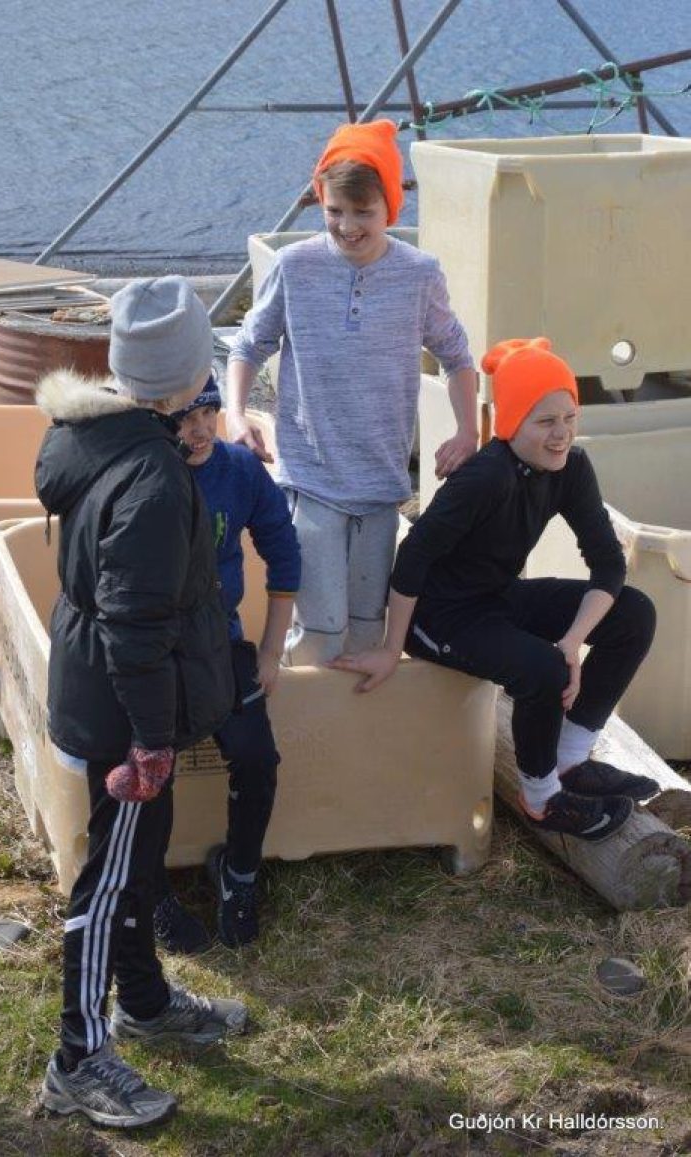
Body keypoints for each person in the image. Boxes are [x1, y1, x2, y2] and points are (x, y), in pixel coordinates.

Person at [35, 276, 248, 1131]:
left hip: (99, 682)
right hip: (126, 713)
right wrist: (153, 743)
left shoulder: (89, 432)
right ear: (188, 375)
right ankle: (77, 1056)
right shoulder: (154, 479)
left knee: (138, 860)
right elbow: (134, 625)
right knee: (109, 877)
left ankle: (146, 1003)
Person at [329, 337, 658, 841]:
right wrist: (392, 648)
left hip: (497, 598)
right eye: (544, 421)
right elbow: (413, 556)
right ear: (512, 423)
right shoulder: (486, 477)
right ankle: (541, 799)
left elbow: (608, 563)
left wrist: (572, 642)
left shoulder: (571, 468)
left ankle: (570, 761)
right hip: (440, 617)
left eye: (569, 417)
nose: (561, 434)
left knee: (633, 614)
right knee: (543, 670)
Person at [226, 119, 478, 665]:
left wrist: (468, 431)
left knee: (367, 636)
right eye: (335, 210)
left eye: (363, 212)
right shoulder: (294, 266)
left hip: (383, 487)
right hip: (311, 480)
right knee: (320, 635)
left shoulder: (419, 274)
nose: (348, 226)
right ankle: (289, 712)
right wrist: (237, 414)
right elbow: (247, 346)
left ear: (391, 206)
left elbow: (458, 357)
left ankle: (343, 721)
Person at [153, 375, 300, 951]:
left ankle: (238, 874)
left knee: (257, 755)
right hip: (155, 647)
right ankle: (149, 888)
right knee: (150, 762)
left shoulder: (238, 468)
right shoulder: (147, 472)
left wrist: (271, 650)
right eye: (184, 419)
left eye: (208, 413)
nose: (200, 430)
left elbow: (282, 547)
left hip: (219, 639)